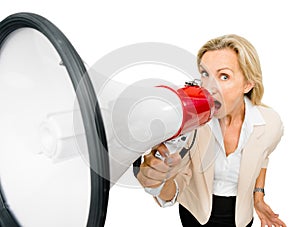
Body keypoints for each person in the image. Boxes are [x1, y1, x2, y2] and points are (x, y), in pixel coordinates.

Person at [137, 34, 286, 227]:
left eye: (224, 76)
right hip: (195, 216)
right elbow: (176, 186)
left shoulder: (271, 123)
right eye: (205, 74)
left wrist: (258, 196)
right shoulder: (190, 126)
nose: (209, 88)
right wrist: (156, 182)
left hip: (241, 219)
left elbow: (264, 155)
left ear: (248, 84)